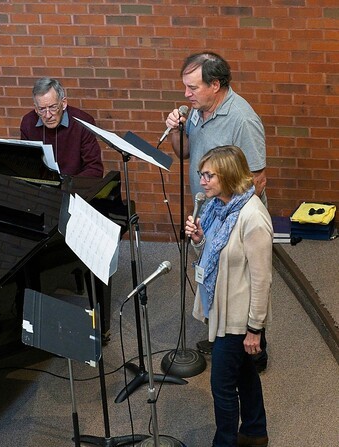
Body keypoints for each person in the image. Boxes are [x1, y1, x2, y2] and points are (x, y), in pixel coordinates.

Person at [165, 52, 268, 367]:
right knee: (215, 280)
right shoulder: (198, 112)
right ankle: (223, 338)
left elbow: (257, 179)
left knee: (241, 286)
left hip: (232, 221)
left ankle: (255, 351)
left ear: (216, 84)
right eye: (185, 87)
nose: (186, 94)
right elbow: (185, 152)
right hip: (208, 213)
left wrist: (226, 223)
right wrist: (175, 130)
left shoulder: (242, 119)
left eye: (193, 87)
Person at [185, 145, 272, 447]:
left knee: (221, 384)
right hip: (222, 309)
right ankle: (255, 432)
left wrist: (255, 329)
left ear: (229, 175)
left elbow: (262, 279)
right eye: (202, 174)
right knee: (244, 373)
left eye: (209, 175)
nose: (202, 181)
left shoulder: (253, 217)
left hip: (238, 318)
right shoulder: (216, 208)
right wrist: (199, 240)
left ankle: (225, 442)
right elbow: (214, 254)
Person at [20, 77, 104, 178]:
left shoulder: (83, 123)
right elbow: (25, 166)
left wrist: (68, 185)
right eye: (42, 109)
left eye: (53, 107)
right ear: (36, 109)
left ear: (63, 103)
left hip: (76, 185)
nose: (48, 115)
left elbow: (94, 169)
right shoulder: (28, 123)